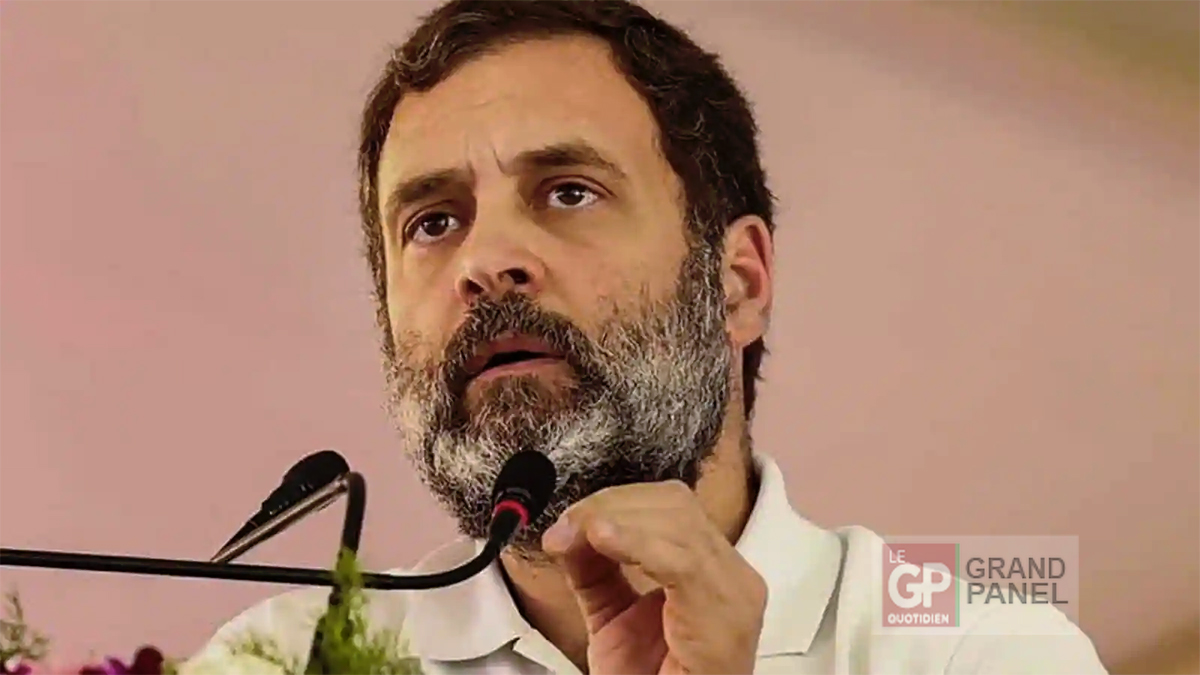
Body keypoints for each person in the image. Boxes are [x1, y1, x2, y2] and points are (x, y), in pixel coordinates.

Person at [190, 1, 1108, 672]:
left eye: (569, 192)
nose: (486, 261)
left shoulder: (974, 644)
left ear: (738, 282)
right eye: (433, 221)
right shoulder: (287, 656)